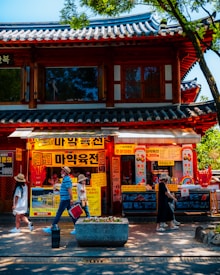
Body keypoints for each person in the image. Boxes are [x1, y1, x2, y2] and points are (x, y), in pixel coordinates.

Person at [42, 166, 75, 234]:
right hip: (66, 198)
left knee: (59, 213)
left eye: (62, 171)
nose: (60, 172)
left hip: (65, 199)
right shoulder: (65, 179)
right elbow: (66, 189)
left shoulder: (67, 179)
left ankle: (52, 227)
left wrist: (71, 199)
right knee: (71, 213)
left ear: (65, 172)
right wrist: (58, 190)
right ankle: (78, 228)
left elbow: (69, 190)